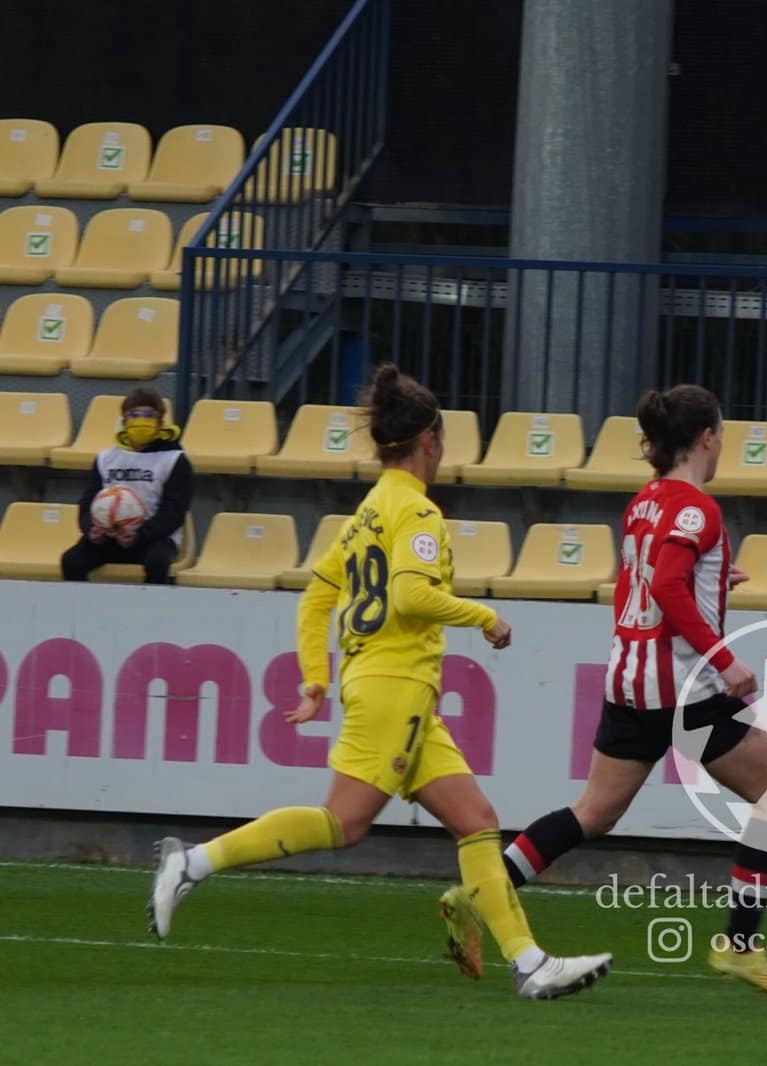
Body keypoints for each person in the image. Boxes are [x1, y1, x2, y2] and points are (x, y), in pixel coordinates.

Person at [147, 365, 611, 1001]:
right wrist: (485, 618)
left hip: (391, 686)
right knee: (344, 823)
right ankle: (193, 862)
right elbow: (413, 595)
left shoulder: (367, 512)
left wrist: (316, 678)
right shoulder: (416, 510)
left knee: (477, 821)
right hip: (395, 684)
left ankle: (529, 964)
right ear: (430, 440)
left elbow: (317, 597)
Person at [499, 384, 767, 996]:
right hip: (686, 689)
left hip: (629, 680)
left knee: (593, 812)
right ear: (707, 438)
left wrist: (712, 583)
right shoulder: (699, 508)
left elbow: (653, 579)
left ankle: (485, 888)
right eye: (721, 435)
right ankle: (739, 946)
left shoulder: (645, 502)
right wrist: (725, 659)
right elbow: (666, 586)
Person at [62, 385, 192, 584]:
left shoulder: (174, 460)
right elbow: (87, 502)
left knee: (157, 562)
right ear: (124, 421)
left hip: (153, 538)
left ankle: (151, 604)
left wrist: (139, 534)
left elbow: (174, 512)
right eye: (134, 415)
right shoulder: (106, 458)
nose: (141, 421)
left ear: (160, 422)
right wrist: (91, 529)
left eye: (149, 415)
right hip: (109, 537)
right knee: (71, 561)